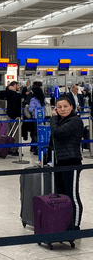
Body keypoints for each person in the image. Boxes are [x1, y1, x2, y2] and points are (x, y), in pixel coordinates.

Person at [49, 96, 84, 230]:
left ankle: (75, 226)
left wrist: (53, 118)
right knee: (61, 194)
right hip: (59, 162)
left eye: (65, 106)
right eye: (59, 107)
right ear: (56, 108)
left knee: (72, 195)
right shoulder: (61, 121)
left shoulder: (75, 121)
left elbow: (57, 133)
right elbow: (53, 142)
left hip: (71, 161)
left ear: (71, 107)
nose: (62, 109)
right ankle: (64, 223)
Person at [27, 82, 46, 155]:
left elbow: (31, 109)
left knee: (34, 133)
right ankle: (35, 147)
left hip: (35, 118)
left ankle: (35, 147)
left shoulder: (33, 99)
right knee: (40, 133)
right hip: (42, 118)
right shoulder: (42, 99)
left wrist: (27, 108)